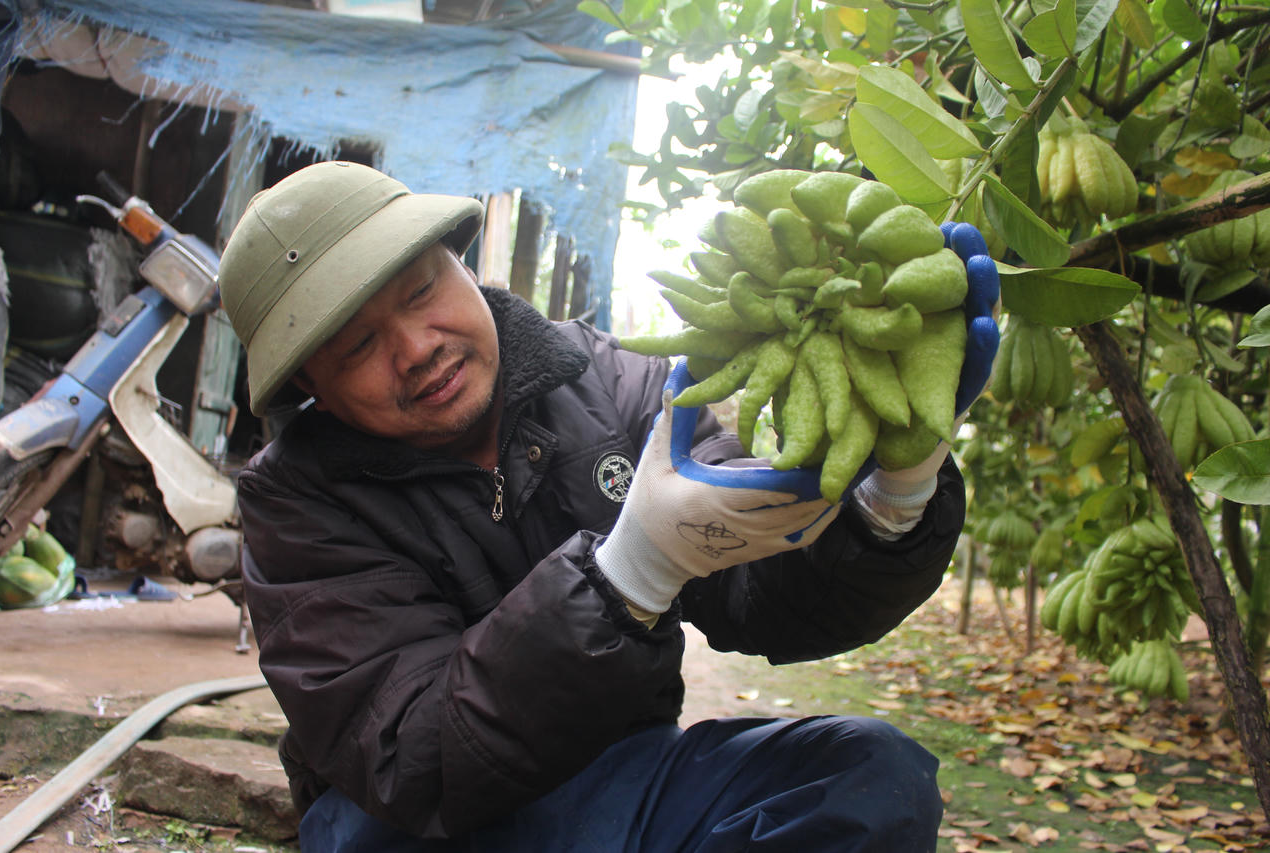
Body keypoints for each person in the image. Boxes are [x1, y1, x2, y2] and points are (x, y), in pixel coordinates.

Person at [217, 160, 1001, 853]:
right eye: (358, 345)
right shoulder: (296, 503)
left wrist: (894, 494)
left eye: (422, 290)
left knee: (870, 777)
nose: (417, 348)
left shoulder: (608, 382)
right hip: (417, 830)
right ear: (311, 385)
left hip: (621, 781)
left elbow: (766, 593)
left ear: (460, 262)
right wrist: (624, 578)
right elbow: (413, 757)